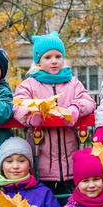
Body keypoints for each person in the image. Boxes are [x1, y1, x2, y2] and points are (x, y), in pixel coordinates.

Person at [12, 33, 95, 193]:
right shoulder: (29, 84)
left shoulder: (73, 82)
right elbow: (18, 105)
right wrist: (32, 114)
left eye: (58, 56)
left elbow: (88, 100)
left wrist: (75, 108)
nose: (54, 61)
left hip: (70, 160)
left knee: (68, 200)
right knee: (46, 203)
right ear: (38, 61)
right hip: (41, 159)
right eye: (48, 57)